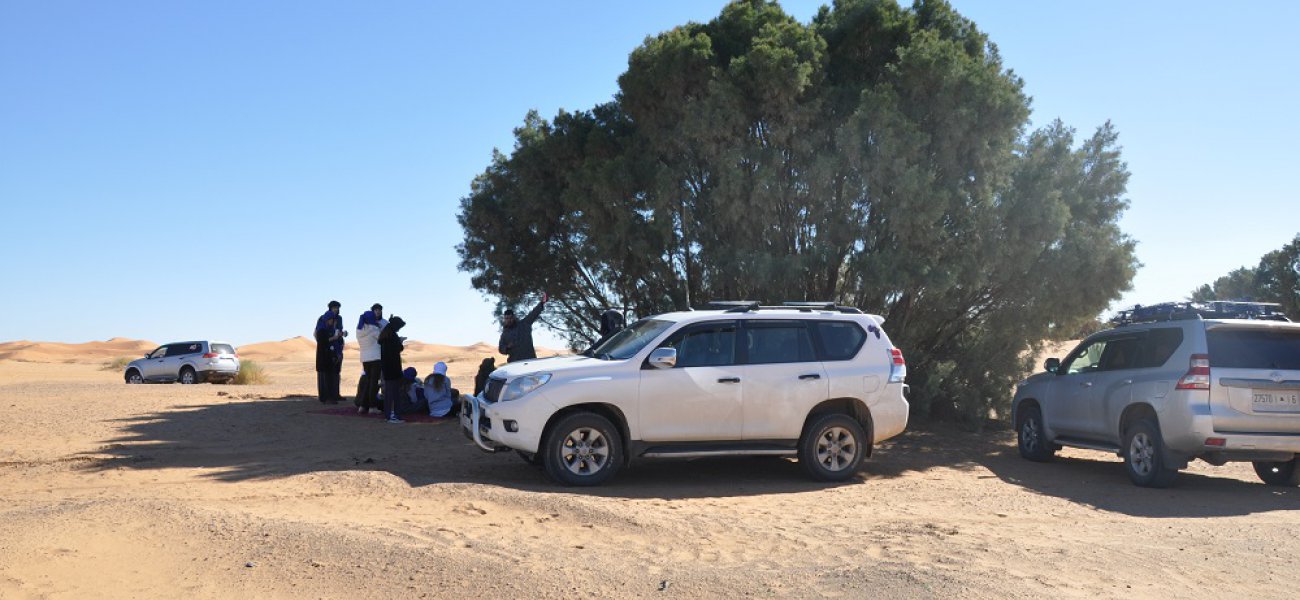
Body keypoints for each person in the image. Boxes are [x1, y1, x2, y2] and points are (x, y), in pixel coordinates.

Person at [355, 303, 386, 415]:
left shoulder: (359, 330)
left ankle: (363, 406)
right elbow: (381, 338)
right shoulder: (373, 329)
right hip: (375, 358)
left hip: (365, 359)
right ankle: (372, 406)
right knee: (374, 383)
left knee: (368, 382)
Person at [498, 293, 547, 363]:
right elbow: (500, 349)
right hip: (514, 363)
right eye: (506, 318)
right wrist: (507, 347)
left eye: (510, 318)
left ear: (514, 317)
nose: (509, 320)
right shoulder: (504, 334)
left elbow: (534, 313)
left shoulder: (524, 324)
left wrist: (542, 303)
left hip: (530, 361)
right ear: (504, 319)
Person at [314, 300, 346, 403]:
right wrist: (325, 343)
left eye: (337, 308)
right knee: (326, 372)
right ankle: (326, 396)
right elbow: (317, 333)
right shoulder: (322, 319)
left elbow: (339, 330)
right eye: (334, 308)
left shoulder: (339, 319)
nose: (336, 310)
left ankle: (336, 394)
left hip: (337, 347)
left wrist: (341, 335)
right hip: (326, 349)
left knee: (336, 371)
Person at [378, 316, 407, 423]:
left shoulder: (386, 335)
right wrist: (400, 342)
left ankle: (389, 414)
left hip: (388, 368)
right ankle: (392, 415)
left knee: (390, 392)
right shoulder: (391, 336)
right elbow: (398, 348)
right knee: (393, 392)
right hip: (393, 368)